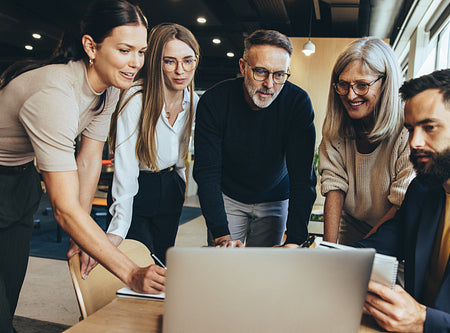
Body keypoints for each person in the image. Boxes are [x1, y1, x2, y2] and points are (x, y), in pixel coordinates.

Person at [0, 1, 165, 331]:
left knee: (10, 295)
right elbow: (63, 210)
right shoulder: (55, 93)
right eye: (124, 50)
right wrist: (130, 272)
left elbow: (88, 158)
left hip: (20, 186)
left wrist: (82, 236)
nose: (135, 63)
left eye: (141, 52)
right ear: (92, 46)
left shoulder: (108, 88)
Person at [354, 69, 450, 331]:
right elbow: (375, 246)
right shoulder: (422, 189)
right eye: (410, 129)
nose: (414, 142)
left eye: (429, 127)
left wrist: (424, 322)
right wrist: (310, 257)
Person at [193, 29, 316, 248]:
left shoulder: (297, 104)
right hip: (229, 196)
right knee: (225, 266)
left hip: (275, 196)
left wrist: (295, 241)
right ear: (243, 67)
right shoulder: (215, 101)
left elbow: (302, 177)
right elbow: (207, 173)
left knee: (265, 271)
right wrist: (221, 235)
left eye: (279, 75)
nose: (269, 84)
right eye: (260, 72)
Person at [104, 23, 199, 264]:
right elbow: (125, 167)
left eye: (188, 60)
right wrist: (118, 227)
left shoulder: (193, 101)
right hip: (138, 187)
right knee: (139, 264)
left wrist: (180, 183)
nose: (181, 70)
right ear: (156, 61)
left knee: (162, 263)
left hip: (170, 187)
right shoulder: (136, 98)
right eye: (170, 61)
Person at [318, 37, 414, 245]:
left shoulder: (408, 128)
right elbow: (334, 187)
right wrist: (329, 248)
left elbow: (400, 202)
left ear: (386, 83)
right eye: (343, 85)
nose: (351, 96)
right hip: (352, 223)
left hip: (396, 225)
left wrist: (362, 249)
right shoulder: (337, 126)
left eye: (362, 85)